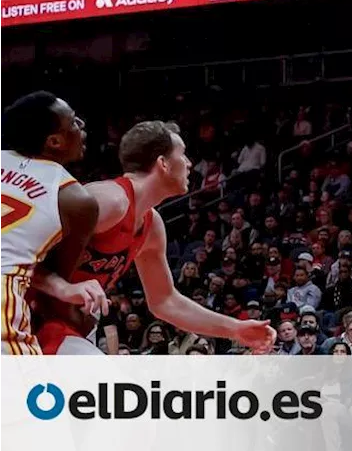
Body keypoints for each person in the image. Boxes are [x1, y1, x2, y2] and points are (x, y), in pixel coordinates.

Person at [35, 121, 275, 355]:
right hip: (26, 317)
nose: (189, 163)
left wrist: (236, 329)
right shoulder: (109, 201)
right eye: (182, 155)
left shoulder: (152, 225)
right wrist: (64, 289)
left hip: (65, 326)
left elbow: (165, 301)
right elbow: (13, 249)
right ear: (163, 163)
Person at [0, 91, 102, 354]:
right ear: (54, 141)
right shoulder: (74, 199)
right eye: (74, 122)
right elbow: (50, 291)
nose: (81, 125)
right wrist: (80, 319)